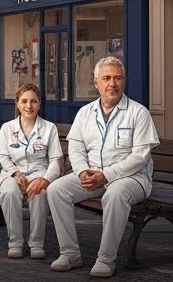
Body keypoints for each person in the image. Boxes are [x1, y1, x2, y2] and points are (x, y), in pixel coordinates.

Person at [46, 56, 159, 278]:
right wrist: (82, 171)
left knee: (114, 195)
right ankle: (70, 254)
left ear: (124, 81)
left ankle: (106, 259)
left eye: (118, 78)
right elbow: (76, 147)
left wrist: (106, 175)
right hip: (93, 175)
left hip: (132, 179)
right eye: (106, 78)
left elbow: (140, 156)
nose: (113, 84)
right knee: (56, 190)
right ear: (96, 82)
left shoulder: (138, 112)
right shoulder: (85, 113)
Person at [0, 82, 62, 259]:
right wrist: (15, 174)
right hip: (12, 172)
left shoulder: (49, 128)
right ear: (17, 103)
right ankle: (15, 242)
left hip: (39, 172)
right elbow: (3, 157)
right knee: (9, 193)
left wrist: (45, 179)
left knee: (39, 193)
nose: (28, 106)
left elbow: (55, 160)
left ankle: (36, 243)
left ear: (39, 104)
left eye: (33, 101)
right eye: (24, 101)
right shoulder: (7, 128)